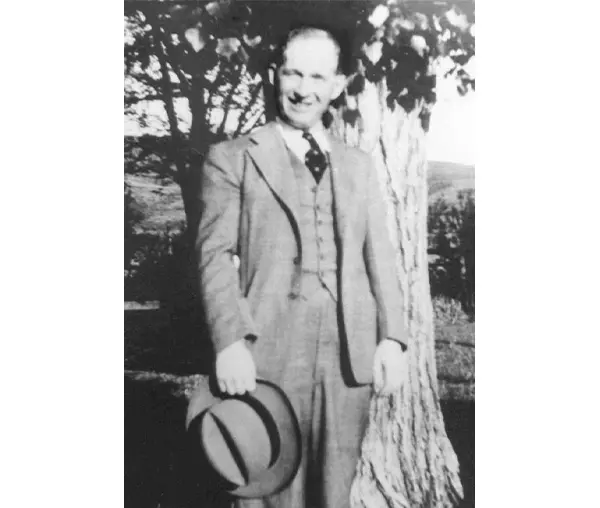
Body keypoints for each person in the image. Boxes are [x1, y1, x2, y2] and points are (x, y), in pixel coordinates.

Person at [196, 25, 409, 508]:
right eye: (293, 72)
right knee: (264, 485)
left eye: (317, 76)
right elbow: (213, 256)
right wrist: (229, 342)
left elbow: (380, 258)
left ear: (337, 85)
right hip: (266, 347)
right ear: (276, 76)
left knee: (333, 490)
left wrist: (393, 338)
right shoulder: (232, 159)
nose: (302, 89)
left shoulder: (358, 165)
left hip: (347, 355)